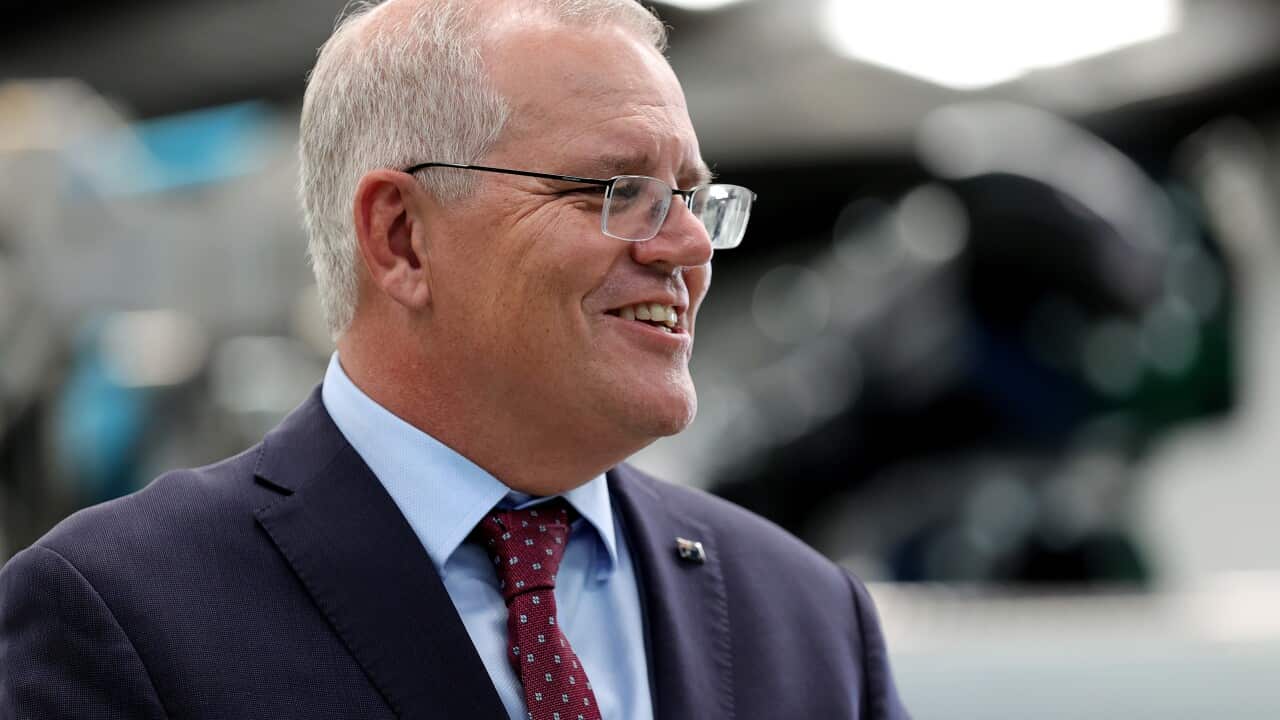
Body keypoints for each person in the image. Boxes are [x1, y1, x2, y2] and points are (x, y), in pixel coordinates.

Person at [0, 0, 908, 717]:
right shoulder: (123, 614)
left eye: (693, 197)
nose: (688, 246)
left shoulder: (809, 619)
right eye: (620, 191)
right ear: (400, 239)